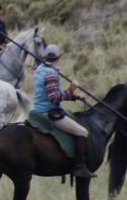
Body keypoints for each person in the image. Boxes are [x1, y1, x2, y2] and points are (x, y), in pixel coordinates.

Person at [32, 45, 94, 178]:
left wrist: (74, 96)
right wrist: (70, 89)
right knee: (82, 132)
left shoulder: (40, 69)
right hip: (49, 112)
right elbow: (54, 97)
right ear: (59, 57)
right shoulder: (51, 74)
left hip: (38, 109)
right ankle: (79, 167)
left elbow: (50, 93)